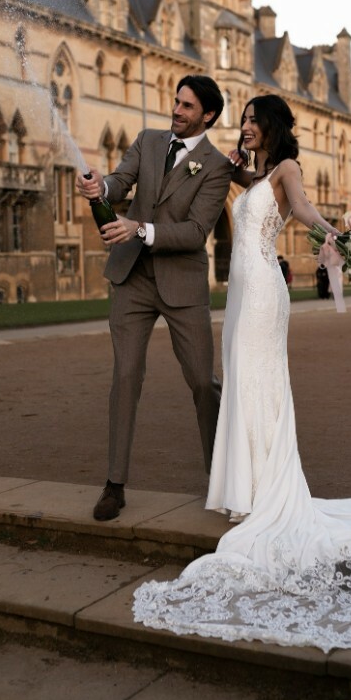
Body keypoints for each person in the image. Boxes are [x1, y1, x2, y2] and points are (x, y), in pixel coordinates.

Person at [133, 94, 351, 652]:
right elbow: (211, 170)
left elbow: (302, 210)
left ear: (274, 127)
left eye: (255, 120)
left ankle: (264, 493)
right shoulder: (247, 174)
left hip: (263, 289)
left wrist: (339, 232)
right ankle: (247, 489)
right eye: (245, 120)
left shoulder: (286, 169)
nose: (248, 127)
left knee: (259, 383)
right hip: (240, 293)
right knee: (241, 381)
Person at [76, 75, 234, 521]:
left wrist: (140, 229)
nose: (177, 111)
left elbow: (197, 232)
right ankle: (114, 484)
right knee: (125, 376)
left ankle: (220, 480)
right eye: (176, 102)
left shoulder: (217, 166)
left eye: (187, 107)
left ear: (208, 116)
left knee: (203, 382)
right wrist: (99, 187)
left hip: (182, 286)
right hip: (132, 279)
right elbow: (120, 181)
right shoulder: (147, 141)